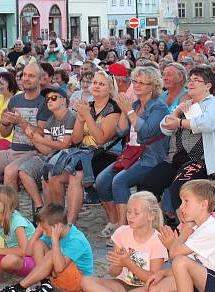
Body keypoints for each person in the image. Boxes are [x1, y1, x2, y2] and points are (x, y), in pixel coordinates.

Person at [139, 66, 215, 220]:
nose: (191, 83)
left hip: (201, 161)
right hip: (174, 160)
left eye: (197, 80)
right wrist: (177, 112)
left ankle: (186, 231)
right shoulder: (186, 104)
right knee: (146, 185)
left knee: (179, 190)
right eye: (190, 80)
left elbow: (207, 124)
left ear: (208, 86)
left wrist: (179, 122)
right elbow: (164, 127)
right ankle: (158, 225)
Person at [95, 66, 169, 228]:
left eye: (142, 83)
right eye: (135, 81)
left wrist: (128, 110)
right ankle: (114, 221)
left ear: (153, 86)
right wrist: (124, 110)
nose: (136, 85)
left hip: (151, 156)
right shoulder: (134, 105)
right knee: (101, 181)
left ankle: (124, 227)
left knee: (119, 181)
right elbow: (121, 130)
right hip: (130, 154)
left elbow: (147, 131)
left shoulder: (159, 107)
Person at [45, 70, 121, 226]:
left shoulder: (113, 109)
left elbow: (101, 139)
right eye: (95, 83)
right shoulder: (88, 106)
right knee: (54, 176)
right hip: (83, 152)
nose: (97, 86)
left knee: (76, 175)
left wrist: (86, 116)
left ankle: (70, 224)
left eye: (102, 84)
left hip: (107, 153)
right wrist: (80, 119)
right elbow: (76, 139)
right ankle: (58, 219)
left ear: (110, 88)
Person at [80, 192, 167, 292]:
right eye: (128, 212)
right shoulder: (121, 233)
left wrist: (129, 263)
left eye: (136, 213)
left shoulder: (158, 240)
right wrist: (118, 264)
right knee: (86, 281)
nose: (130, 216)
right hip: (121, 284)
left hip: (145, 288)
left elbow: (152, 278)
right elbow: (113, 272)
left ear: (151, 215)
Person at [0, 202, 93, 292]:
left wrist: (55, 241)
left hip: (77, 281)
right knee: (38, 244)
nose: (44, 232)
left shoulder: (76, 239)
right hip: (60, 277)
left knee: (51, 253)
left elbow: (59, 268)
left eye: (45, 229)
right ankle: (46, 285)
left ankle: (19, 288)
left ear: (58, 227)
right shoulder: (53, 232)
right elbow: (28, 251)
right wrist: (38, 231)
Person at [0, 63, 50, 187]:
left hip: (34, 152)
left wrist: (21, 122)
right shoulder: (15, 100)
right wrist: (5, 122)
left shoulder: (44, 102)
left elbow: (42, 133)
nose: (26, 79)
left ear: (40, 79)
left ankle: (9, 206)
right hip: (13, 150)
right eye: (24, 75)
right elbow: (4, 133)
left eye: (31, 76)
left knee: (9, 171)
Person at [17, 87, 76, 212]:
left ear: (63, 101)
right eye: (47, 99)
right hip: (53, 157)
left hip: (69, 156)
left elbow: (66, 145)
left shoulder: (71, 116)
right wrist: (33, 137)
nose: (49, 100)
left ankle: (58, 213)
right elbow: (48, 150)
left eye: (54, 98)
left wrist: (40, 139)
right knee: (24, 171)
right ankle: (45, 210)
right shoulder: (50, 121)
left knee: (49, 174)